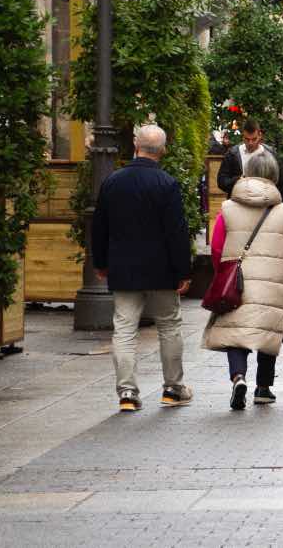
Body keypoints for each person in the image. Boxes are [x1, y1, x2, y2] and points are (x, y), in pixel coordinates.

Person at [92, 125, 193, 413]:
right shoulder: (166, 184)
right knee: (169, 325)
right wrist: (183, 271)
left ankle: (127, 392)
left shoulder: (113, 182)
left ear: (136, 146)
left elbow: (100, 226)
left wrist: (101, 263)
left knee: (124, 329)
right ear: (162, 150)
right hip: (161, 269)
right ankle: (173, 388)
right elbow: (176, 232)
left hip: (123, 267)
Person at [204, 153, 283, 410]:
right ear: (275, 177)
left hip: (237, 281)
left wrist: (222, 274)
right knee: (268, 332)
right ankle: (264, 388)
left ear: (246, 173)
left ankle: (238, 377)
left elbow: (216, 248)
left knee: (236, 331)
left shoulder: (227, 209)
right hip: (273, 281)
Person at [217, 119, 280, 197]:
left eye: (254, 139)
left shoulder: (270, 153)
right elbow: (222, 182)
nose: (250, 143)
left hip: (266, 201)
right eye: (247, 139)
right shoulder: (232, 154)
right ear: (243, 136)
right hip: (239, 201)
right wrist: (238, 180)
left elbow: (282, 183)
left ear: (260, 135)